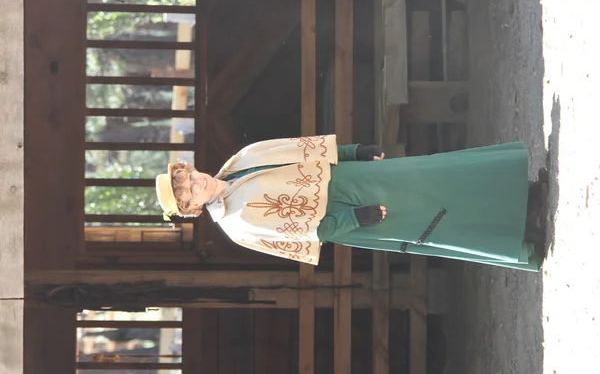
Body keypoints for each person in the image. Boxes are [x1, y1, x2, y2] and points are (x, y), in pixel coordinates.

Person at [156, 135, 548, 271]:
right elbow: (308, 234)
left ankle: (523, 190)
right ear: (191, 209)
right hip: (347, 210)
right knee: (435, 217)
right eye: (187, 192)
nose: (194, 182)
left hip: (350, 176)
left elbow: (300, 149)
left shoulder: (241, 160)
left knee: (433, 175)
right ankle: (522, 233)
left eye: (187, 176)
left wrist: (352, 151)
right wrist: (353, 219)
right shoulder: (237, 223)